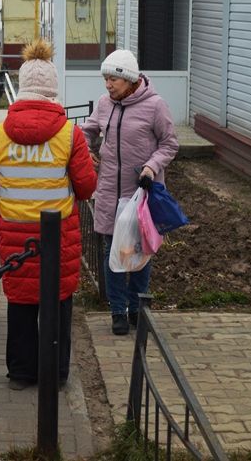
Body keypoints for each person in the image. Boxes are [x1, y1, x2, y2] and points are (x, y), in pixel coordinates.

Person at [0, 40, 97, 390]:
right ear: (52, 89)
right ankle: (56, 374)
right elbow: (87, 186)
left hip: (15, 235)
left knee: (19, 304)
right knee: (58, 305)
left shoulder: (0, 133)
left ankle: (20, 373)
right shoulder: (70, 133)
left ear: (23, 88)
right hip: (58, 235)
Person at [81, 49, 178, 336]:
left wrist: (151, 167)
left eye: (113, 79)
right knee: (114, 253)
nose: (108, 85)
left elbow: (169, 144)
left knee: (139, 250)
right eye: (105, 79)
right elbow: (88, 131)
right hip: (110, 189)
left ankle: (137, 309)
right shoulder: (104, 104)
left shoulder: (155, 106)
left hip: (141, 192)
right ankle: (117, 312)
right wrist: (85, 149)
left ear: (131, 80)